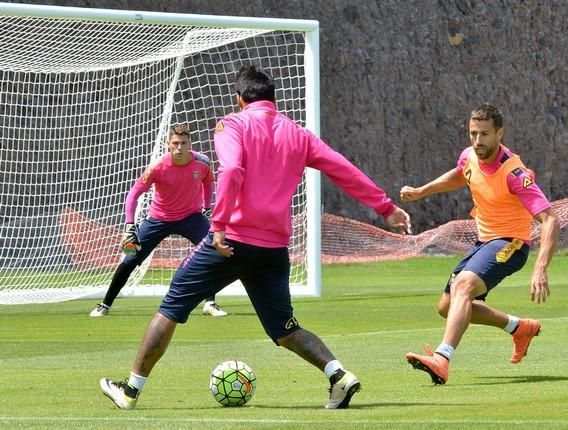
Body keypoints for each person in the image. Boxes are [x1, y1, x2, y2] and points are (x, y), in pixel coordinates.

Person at [99, 64, 412, 410]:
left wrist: (217, 225)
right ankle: (339, 376)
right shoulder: (299, 134)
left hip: (230, 241)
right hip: (274, 249)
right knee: (284, 329)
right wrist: (385, 208)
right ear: (273, 99)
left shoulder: (232, 124)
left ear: (239, 99)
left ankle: (130, 391)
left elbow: (231, 169)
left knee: (171, 307)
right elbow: (342, 168)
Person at [400, 102, 560, 385]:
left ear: (500, 134)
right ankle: (518, 328)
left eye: (484, 134)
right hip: (484, 242)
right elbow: (462, 173)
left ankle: (442, 358)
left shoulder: (514, 174)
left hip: (511, 243)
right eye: (473, 133)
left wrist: (541, 268)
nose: (477, 141)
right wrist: (423, 191)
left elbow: (550, 220)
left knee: (463, 286)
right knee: (447, 307)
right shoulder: (469, 156)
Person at [89, 123, 228, 318]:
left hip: (191, 217)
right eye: (175, 143)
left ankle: (210, 303)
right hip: (158, 218)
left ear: (190, 144)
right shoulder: (157, 166)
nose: (179, 148)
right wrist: (130, 225)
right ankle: (105, 304)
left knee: (214, 250)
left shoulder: (202, 163)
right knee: (130, 258)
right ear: (168, 144)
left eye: (184, 143)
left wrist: (206, 208)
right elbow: (133, 194)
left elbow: (207, 183)